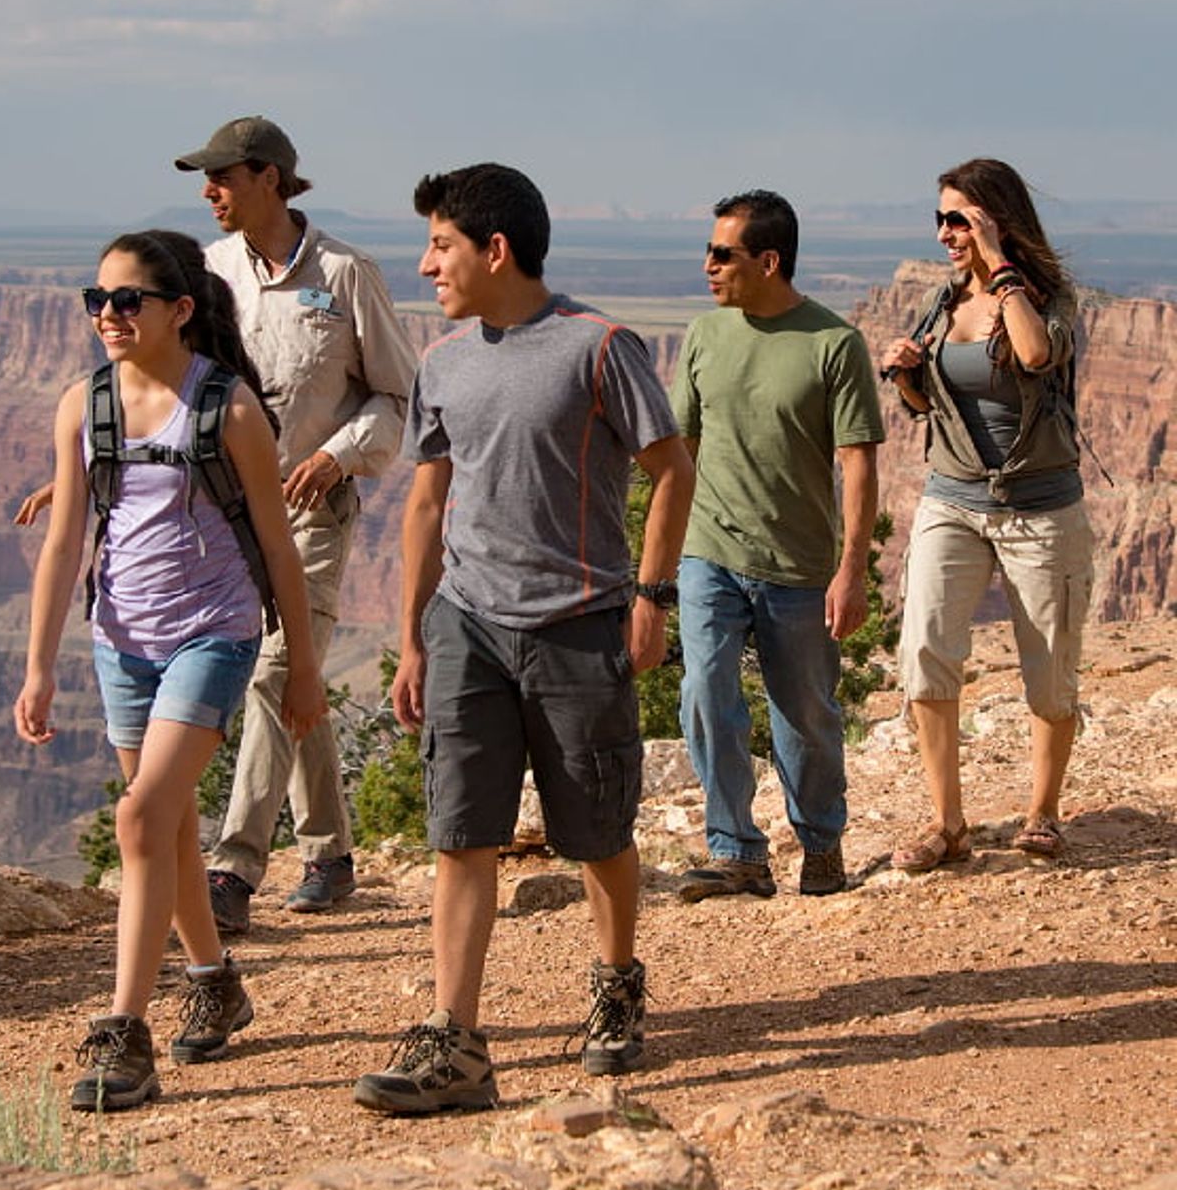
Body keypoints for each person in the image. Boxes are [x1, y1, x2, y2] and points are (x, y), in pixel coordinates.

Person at [352, 163, 694, 1116]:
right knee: (461, 833)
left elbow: (672, 469)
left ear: (493, 249)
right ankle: (456, 1039)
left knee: (596, 829)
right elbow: (426, 501)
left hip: (580, 623)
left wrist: (653, 596)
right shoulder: (445, 360)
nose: (426, 266)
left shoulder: (599, 347)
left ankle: (617, 980)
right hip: (468, 624)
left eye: (440, 246)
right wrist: (415, 636)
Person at [19, 117, 417, 930]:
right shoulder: (208, 274)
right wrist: (85, 474)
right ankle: (331, 851)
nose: (208, 191)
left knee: (278, 672)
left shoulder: (346, 273)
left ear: (270, 178)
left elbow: (395, 396)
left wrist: (338, 455)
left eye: (223, 176)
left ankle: (233, 867)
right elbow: (151, 392)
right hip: (203, 518)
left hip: (303, 505)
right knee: (285, 682)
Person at [13, 229, 326, 1112]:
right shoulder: (84, 405)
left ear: (178, 310)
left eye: (126, 301)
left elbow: (277, 546)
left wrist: (303, 668)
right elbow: (67, 540)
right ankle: (215, 980)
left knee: (141, 814)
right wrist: (39, 668)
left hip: (212, 635)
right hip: (120, 640)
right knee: (169, 827)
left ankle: (125, 1034)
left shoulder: (226, 411)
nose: (107, 316)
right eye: (97, 301)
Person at [670, 190, 885, 902]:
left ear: (768, 260)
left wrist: (851, 570)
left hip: (799, 567)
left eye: (721, 254)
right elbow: (680, 455)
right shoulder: (704, 337)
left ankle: (820, 842)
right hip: (710, 552)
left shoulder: (833, 344)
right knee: (706, 693)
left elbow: (859, 465)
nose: (707, 265)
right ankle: (735, 850)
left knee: (807, 718)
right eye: (708, 251)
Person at [881, 158, 1094, 870]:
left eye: (959, 219)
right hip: (954, 499)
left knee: (1049, 669)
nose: (945, 233)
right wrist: (910, 373)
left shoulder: (1050, 299)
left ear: (996, 220)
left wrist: (1001, 265)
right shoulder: (942, 304)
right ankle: (947, 824)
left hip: (1041, 508)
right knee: (926, 652)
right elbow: (926, 407)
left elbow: (1034, 354)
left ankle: (1042, 813)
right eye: (940, 218)